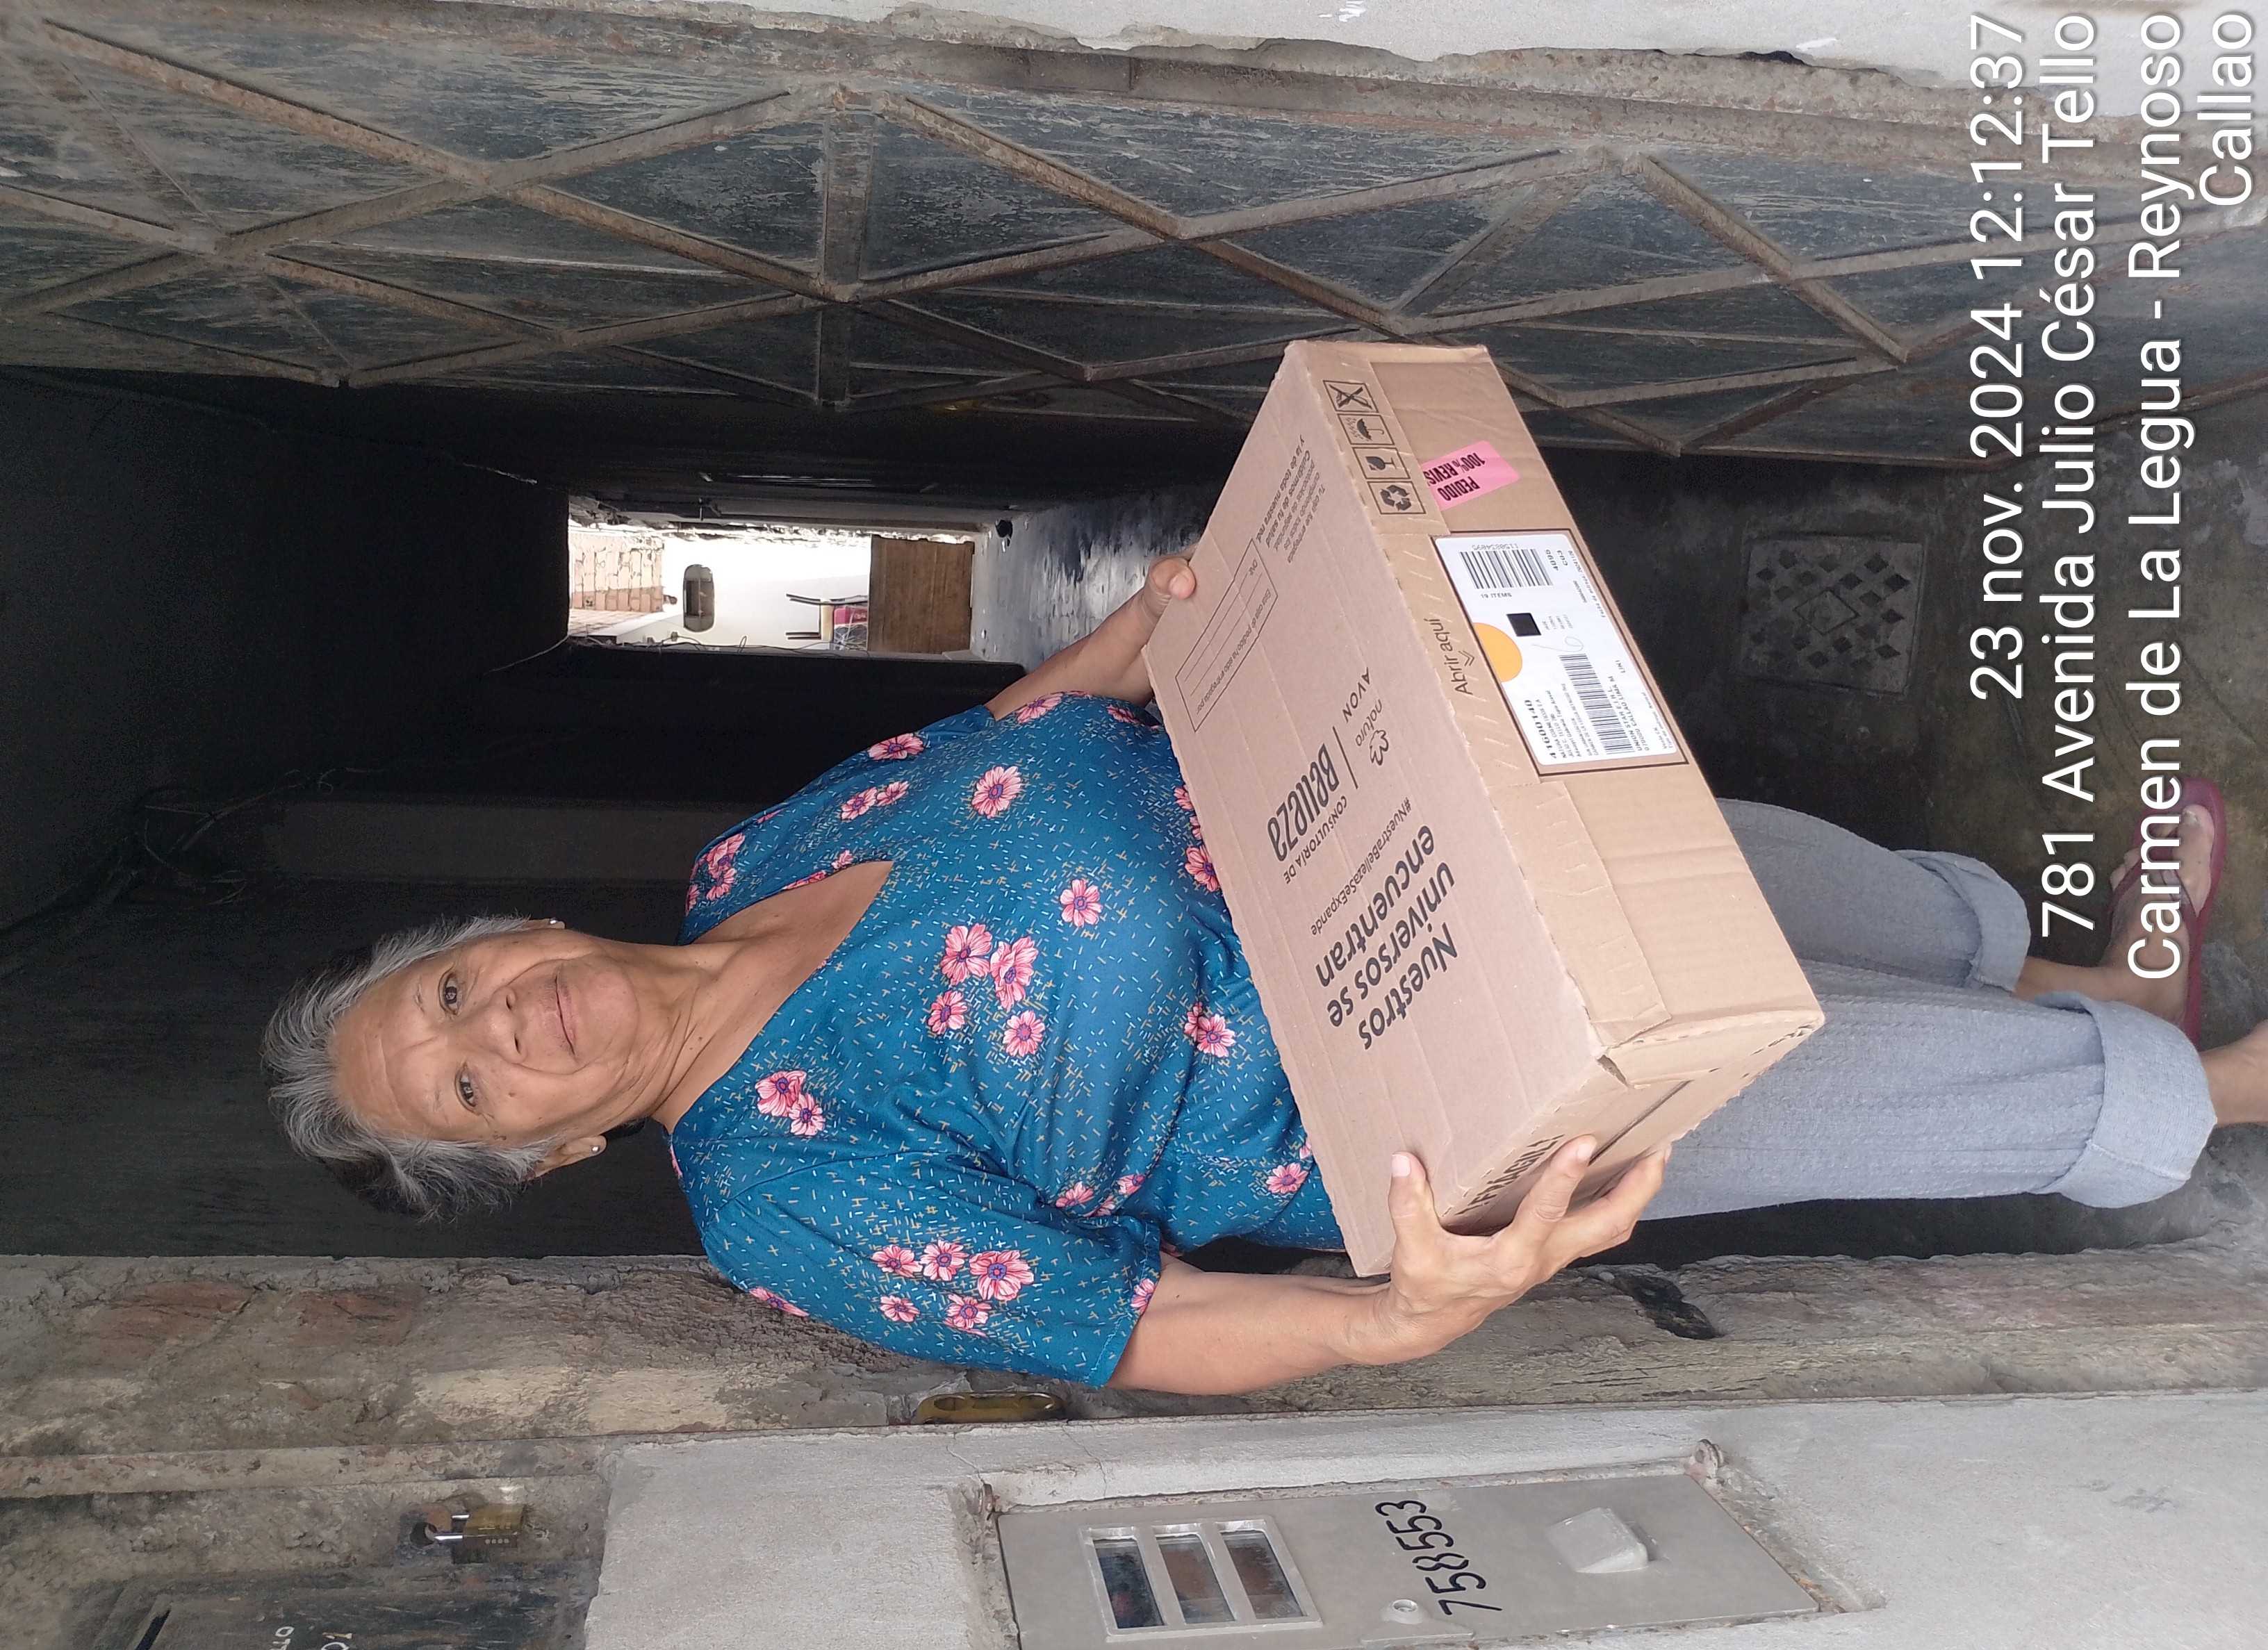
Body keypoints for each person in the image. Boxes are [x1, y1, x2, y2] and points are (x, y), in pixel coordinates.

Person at [265, 557, 2264, 1396]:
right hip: (1427, 1082)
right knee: (1852, 1076)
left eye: (449, 997)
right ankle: (2227, 1082)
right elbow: (1122, 1326)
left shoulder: (748, 856)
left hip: (1411, 839)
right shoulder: (781, 1199)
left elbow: (992, 739)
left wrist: (1143, 628)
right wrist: (1393, 1320)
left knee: (1826, 909)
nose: (495, 1031)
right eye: (468, 1092)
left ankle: (2112, 981)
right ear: (547, 1153)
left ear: (507, 936)